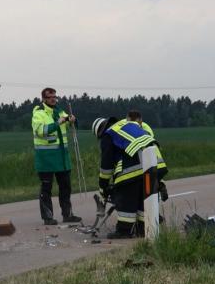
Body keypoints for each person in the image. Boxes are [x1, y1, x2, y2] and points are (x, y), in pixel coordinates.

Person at [92, 116, 168, 239]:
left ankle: (124, 230)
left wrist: (103, 187)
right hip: (155, 164)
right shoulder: (129, 125)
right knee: (144, 198)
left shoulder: (109, 134)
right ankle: (144, 229)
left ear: (99, 132)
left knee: (126, 197)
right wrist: (160, 180)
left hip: (134, 169)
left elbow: (106, 166)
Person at [31, 87, 82, 225]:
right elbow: (42, 131)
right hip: (46, 157)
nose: (53, 99)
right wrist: (58, 122)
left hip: (62, 157)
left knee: (66, 187)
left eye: (54, 96)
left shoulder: (60, 111)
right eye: (50, 97)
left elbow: (71, 124)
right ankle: (48, 217)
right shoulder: (38, 113)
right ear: (44, 99)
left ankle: (68, 214)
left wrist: (72, 120)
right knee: (46, 189)